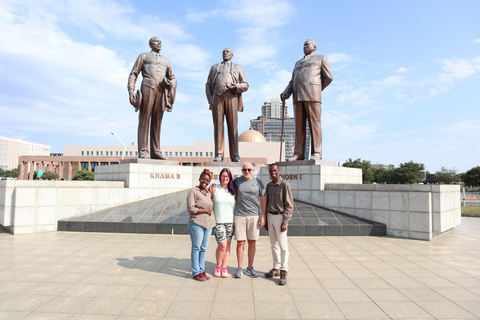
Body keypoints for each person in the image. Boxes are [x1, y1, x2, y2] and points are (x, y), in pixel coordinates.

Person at [281, 39, 333, 161]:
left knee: (314, 124)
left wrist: (317, 87)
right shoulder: (297, 62)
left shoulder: (321, 58)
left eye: (307, 44)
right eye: (303, 44)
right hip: (298, 95)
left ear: (314, 47)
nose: (305, 46)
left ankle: (317, 152)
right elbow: (292, 81)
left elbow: (328, 77)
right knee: (299, 126)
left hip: (313, 94)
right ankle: (298, 153)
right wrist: (286, 92)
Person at [128, 36, 177, 160]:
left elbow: (172, 77)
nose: (159, 43)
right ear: (150, 44)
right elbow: (134, 74)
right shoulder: (143, 56)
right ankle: (143, 150)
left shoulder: (166, 61)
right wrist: (131, 90)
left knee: (157, 121)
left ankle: (156, 151)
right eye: (156, 41)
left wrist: (170, 83)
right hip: (147, 88)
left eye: (160, 41)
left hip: (161, 91)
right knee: (145, 119)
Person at [205, 48, 249, 162]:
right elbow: (208, 85)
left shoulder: (238, 67)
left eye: (228, 51)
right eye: (224, 51)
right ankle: (219, 154)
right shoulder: (215, 67)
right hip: (217, 97)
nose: (225, 53)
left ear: (232, 55)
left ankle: (235, 155)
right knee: (218, 127)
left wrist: (235, 86)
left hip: (232, 97)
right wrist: (211, 100)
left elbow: (245, 85)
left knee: (233, 126)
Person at [233, 162, 266, 278]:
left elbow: (263, 199)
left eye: (249, 170)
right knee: (240, 242)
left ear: (253, 170)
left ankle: (250, 267)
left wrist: (263, 216)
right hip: (240, 215)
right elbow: (227, 188)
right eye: (244, 170)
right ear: (241, 171)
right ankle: (239, 268)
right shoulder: (237, 181)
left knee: (252, 242)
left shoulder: (258, 182)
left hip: (254, 216)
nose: (247, 172)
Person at [264, 164, 294, 285]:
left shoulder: (285, 185)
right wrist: (266, 220)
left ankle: (284, 271)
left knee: (283, 246)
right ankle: (276, 267)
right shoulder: (269, 186)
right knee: (273, 244)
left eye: (275, 171)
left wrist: (285, 221)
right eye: (271, 171)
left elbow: (289, 205)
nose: (273, 173)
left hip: (280, 217)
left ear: (279, 171)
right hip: (270, 216)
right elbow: (267, 202)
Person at [186, 169, 216, 281]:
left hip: (208, 224)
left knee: (203, 248)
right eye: (203, 179)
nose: (205, 181)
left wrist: (212, 196)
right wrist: (204, 211)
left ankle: (202, 270)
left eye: (207, 180)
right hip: (197, 223)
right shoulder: (193, 191)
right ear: (199, 179)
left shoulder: (208, 193)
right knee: (196, 247)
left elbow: (211, 206)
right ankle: (195, 272)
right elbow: (191, 208)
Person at [210, 168, 236, 278]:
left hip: (230, 221)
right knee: (222, 245)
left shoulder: (233, 190)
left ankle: (224, 267)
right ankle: (218, 265)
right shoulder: (215, 188)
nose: (225, 178)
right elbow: (209, 201)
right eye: (223, 176)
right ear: (220, 177)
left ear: (230, 178)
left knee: (228, 245)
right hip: (218, 222)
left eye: (227, 176)